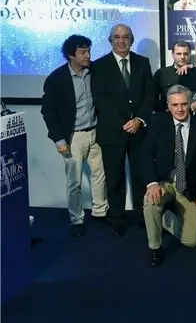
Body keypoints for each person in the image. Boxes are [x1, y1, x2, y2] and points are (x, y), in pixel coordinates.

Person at [139, 85, 196, 267]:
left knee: (191, 241)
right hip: (164, 181)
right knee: (151, 201)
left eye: (183, 104)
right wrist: (151, 183)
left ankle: (164, 218)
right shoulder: (157, 122)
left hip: (188, 184)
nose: (179, 109)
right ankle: (155, 248)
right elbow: (145, 154)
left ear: (190, 103)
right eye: (175, 105)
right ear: (168, 105)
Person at [91, 24, 155, 237]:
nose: (121, 41)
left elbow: (150, 95)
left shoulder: (143, 62)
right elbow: (100, 99)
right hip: (112, 132)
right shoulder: (99, 66)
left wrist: (139, 120)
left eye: (125, 37)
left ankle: (143, 216)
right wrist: (125, 122)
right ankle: (117, 219)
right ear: (110, 41)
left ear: (131, 40)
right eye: (117, 37)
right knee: (115, 178)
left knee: (140, 176)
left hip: (139, 131)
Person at [41, 34, 108, 236]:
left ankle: (100, 212)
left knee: (99, 175)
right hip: (73, 137)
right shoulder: (56, 78)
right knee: (74, 182)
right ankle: (76, 219)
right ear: (71, 55)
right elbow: (48, 111)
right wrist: (59, 140)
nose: (88, 55)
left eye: (89, 51)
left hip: (96, 131)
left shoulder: (95, 71)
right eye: (83, 52)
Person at [153, 41, 191, 113]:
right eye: (179, 54)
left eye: (185, 54)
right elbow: (152, 98)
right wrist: (163, 111)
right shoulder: (161, 73)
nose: (182, 57)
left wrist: (192, 68)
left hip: (191, 115)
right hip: (166, 116)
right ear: (173, 54)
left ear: (190, 54)